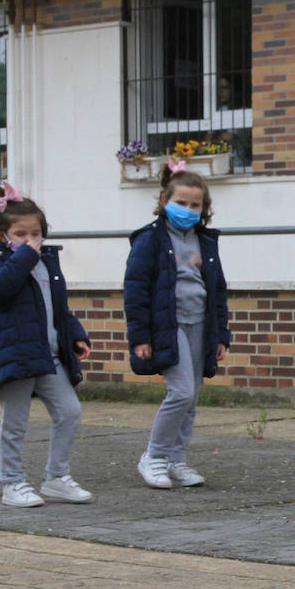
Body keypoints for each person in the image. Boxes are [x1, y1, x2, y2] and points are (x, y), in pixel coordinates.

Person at [0, 182, 93, 508]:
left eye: (36, 234)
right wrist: (25, 256)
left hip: (51, 354)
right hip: (16, 354)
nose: (30, 241)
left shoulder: (47, 263)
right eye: (20, 234)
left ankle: (56, 477)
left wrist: (76, 334)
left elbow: (58, 307)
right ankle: (12, 483)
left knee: (69, 412)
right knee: (15, 422)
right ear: (2, 235)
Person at [125, 160, 231, 489]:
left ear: (204, 209)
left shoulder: (206, 242)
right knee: (181, 392)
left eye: (195, 205)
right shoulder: (149, 240)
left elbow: (217, 290)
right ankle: (154, 457)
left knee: (192, 398)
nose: (188, 209)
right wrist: (140, 336)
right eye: (181, 203)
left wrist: (221, 334)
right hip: (167, 327)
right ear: (163, 201)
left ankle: (176, 460)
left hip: (200, 325)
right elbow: (136, 290)